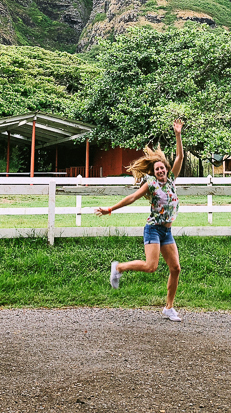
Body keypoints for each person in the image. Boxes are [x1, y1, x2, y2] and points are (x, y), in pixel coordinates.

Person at [96, 119, 184, 321]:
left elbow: (180, 155)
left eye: (163, 168)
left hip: (167, 232)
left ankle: (169, 308)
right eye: (157, 170)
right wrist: (110, 209)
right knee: (151, 267)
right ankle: (118, 267)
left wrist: (177, 134)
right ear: (153, 173)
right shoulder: (151, 184)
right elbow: (133, 197)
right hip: (153, 229)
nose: (161, 171)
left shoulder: (171, 180)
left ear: (166, 169)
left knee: (175, 268)